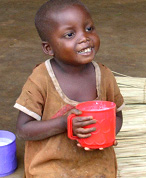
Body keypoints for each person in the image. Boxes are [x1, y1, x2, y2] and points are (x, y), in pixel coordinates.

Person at [14, 0, 124, 177]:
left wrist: (109, 134)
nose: (84, 38)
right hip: (51, 165)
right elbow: (23, 130)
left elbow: (117, 115)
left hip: (95, 161)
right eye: (70, 34)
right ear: (48, 48)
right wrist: (64, 123)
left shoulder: (104, 75)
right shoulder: (41, 79)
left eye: (89, 29)